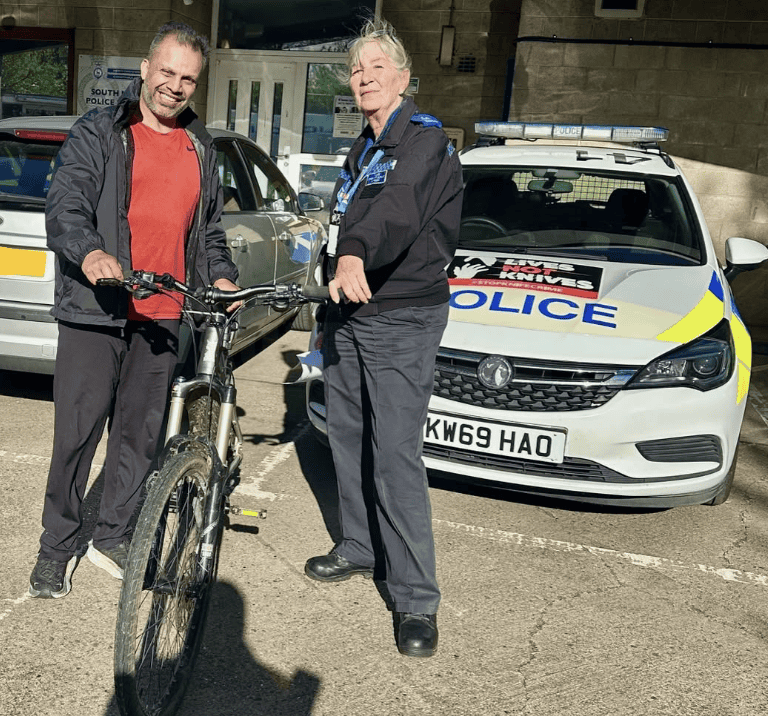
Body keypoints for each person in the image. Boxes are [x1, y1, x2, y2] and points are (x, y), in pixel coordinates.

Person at [28, 22, 239, 599]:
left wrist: (219, 273)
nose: (174, 86)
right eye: (166, 72)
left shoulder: (202, 147)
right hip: (97, 308)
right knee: (77, 436)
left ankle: (113, 535)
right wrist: (90, 251)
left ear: (197, 85)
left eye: (187, 78)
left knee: (139, 437)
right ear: (145, 69)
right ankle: (56, 547)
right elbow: (65, 205)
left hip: (166, 313)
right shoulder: (99, 132)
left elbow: (209, 231)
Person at [304, 19, 463, 658]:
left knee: (394, 453)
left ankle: (416, 598)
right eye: (355, 68)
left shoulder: (421, 143)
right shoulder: (362, 149)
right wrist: (329, 263)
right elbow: (349, 213)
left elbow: (395, 212)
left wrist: (354, 256)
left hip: (400, 319)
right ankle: (360, 547)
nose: (364, 76)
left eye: (376, 66)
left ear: (402, 77)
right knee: (344, 435)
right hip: (349, 314)